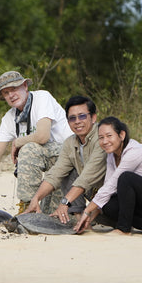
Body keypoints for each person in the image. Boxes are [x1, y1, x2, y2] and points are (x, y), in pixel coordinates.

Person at [0, 70, 73, 215]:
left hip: (71, 159)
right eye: (5, 93)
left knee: (28, 148)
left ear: (25, 86)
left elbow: (43, 136)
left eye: (14, 89)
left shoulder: (42, 97)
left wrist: (18, 142)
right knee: (48, 216)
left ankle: (28, 206)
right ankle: (29, 206)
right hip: (52, 172)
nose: (11, 95)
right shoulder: (9, 118)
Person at [74, 116, 142, 235]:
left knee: (126, 178)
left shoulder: (134, 151)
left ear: (122, 135)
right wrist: (88, 220)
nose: (105, 141)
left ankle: (123, 229)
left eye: (109, 136)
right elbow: (108, 189)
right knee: (108, 205)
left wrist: (86, 211)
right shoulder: (111, 155)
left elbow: (113, 183)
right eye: (101, 137)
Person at [24, 96, 108, 224]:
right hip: (93, 192)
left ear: (93, 118)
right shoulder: (70, 142)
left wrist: (64, 202)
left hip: (112, 192)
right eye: (72, 118)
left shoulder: (103, 137)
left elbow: (88, 176)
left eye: (82, 116)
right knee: (66, 172)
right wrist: (36, 198)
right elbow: (56, 173)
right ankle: (78, 217)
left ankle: (94, 216)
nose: (77, 121)